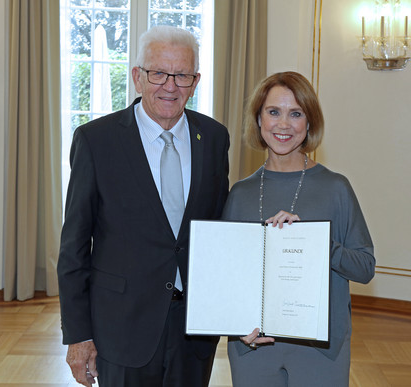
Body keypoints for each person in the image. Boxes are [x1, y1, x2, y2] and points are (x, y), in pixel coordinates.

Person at [57, 25, 230, 387]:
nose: (170, 85)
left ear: (195, 81)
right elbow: (73, 247)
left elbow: (219, 231)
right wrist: (78, 335)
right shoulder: (96, 141)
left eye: (182, 75)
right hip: (122, 329)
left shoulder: (213, 138)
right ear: (137, 77)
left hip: (192, 331)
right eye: (158, 73)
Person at [222, 71, 375, 387]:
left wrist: (316, 243)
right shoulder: (240, 193)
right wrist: (234, 323)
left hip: (319, 350)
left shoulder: (336, 188)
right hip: (253, 346)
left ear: (309, 123)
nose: (283, 124)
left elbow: (364, 268)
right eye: (273, 112)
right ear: (259, 119)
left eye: (295, 113)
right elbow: (226, 277)